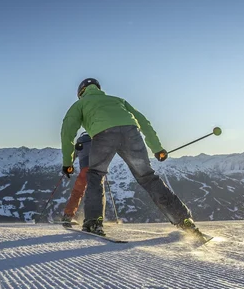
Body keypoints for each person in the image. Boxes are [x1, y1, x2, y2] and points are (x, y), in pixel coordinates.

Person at [60, 78, 201, 237]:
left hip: (103, 136)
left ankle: (93, 222)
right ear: (98, 89)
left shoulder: (80, 104)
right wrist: (157, 148)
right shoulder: (118, 100)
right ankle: (183, 219)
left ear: (81, 93)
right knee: (148, 177)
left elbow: (67, 133)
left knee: (95, 176)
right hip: (131, 133)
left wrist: (67, 163)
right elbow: (143, 122)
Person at [61, 132, 92, 227]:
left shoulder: (79, 143)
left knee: (77, 192)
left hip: (84, 171)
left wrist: (68, 167)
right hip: (96, 170)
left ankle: (67, 216)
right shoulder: (96, 140)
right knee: (95, 193)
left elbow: (72, 157)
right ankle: (93, 218)